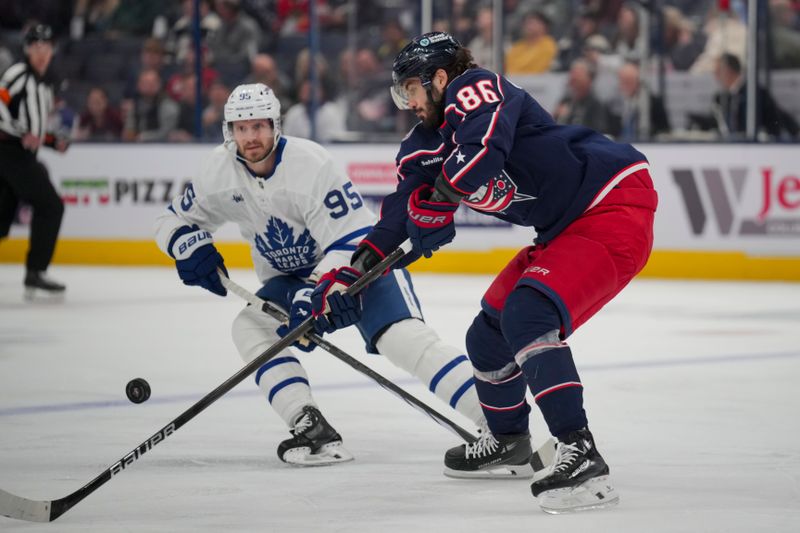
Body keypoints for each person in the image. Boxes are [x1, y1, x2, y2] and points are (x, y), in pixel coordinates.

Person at [310, 32, 657, 513]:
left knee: (529, 314)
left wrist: (439, 201)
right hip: (561, 228)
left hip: (611, 202)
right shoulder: (420, 146)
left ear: (439, 77)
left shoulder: (475, 87)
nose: (409, 102)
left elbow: (484, 148)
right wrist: (355, 275)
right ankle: (510, 441)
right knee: (489, 334)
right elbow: (396, 218)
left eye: (412, 88)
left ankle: (579, 451)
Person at [154, 83, 502, 471]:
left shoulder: (310, 164)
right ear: (228, 131)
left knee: (403, 340)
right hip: (287, 282)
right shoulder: (217, 171)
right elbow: (172, 220)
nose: (250, 137)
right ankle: (311, 426)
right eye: (241, 128)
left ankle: (502, 427)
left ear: (276, 126)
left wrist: (316, 290)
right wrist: (187, 245)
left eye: (258, 126)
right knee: (250, 327)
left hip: (358, 268)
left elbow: (351, 238)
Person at [0, 24, 67, 297]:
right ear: (27, 50)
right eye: (36, 47)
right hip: (9, 152)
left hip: (17, 152)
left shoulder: (45, 81)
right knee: (51, 206)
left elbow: (33, 127)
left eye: (46, 47)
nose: (41, 53)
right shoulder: (18, 73)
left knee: (1, 218)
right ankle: (36, 272)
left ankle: (35, 272)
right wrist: (18, 132)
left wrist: (51, 141)